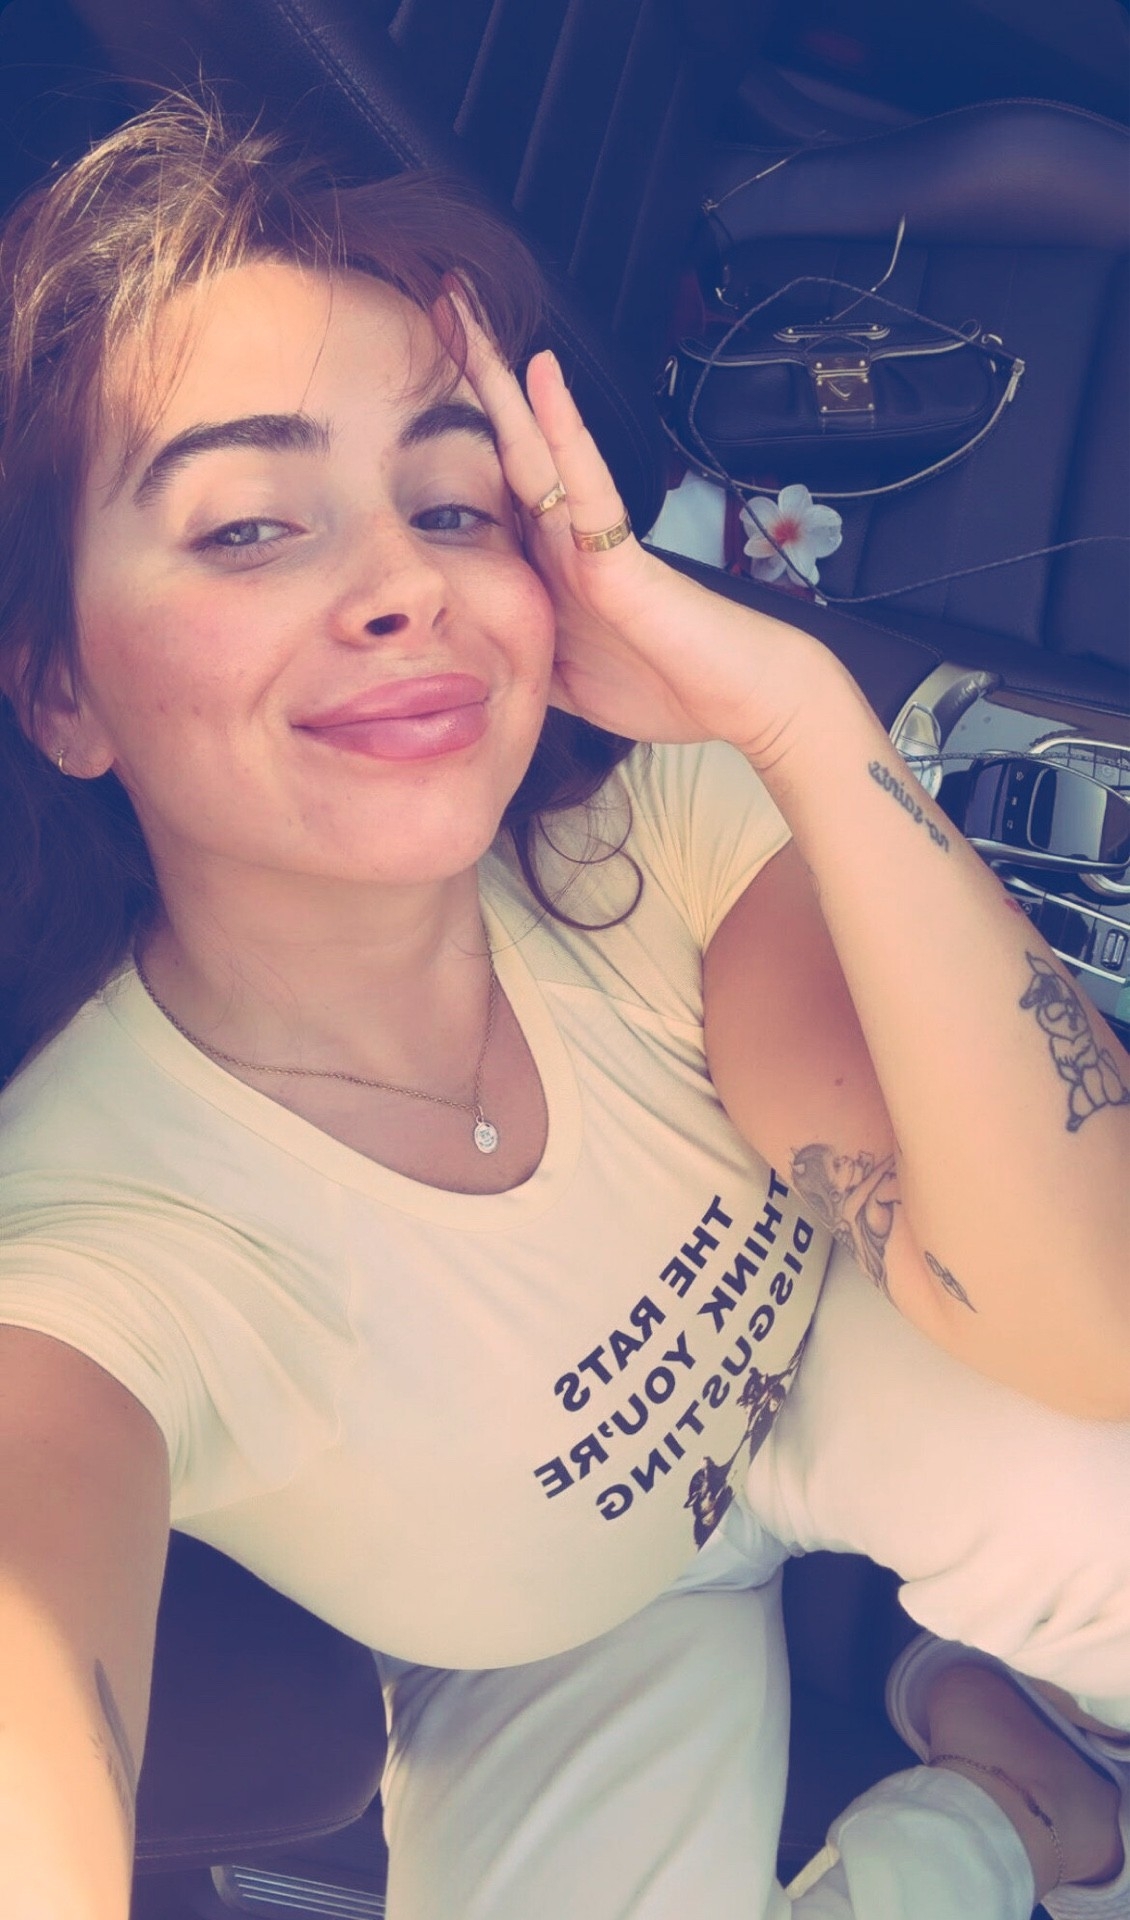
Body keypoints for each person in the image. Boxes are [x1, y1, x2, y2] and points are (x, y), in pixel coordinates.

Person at [0, 96, 1126, 1920]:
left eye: (453, 506)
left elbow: (1093, 1321)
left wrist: (793, 715)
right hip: (549, 1636)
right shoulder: (85, 1256)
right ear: (63, 692)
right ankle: (1007, 1812)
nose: (404, 585)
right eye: (248, 528)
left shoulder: (645, 820)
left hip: (834, 1348)